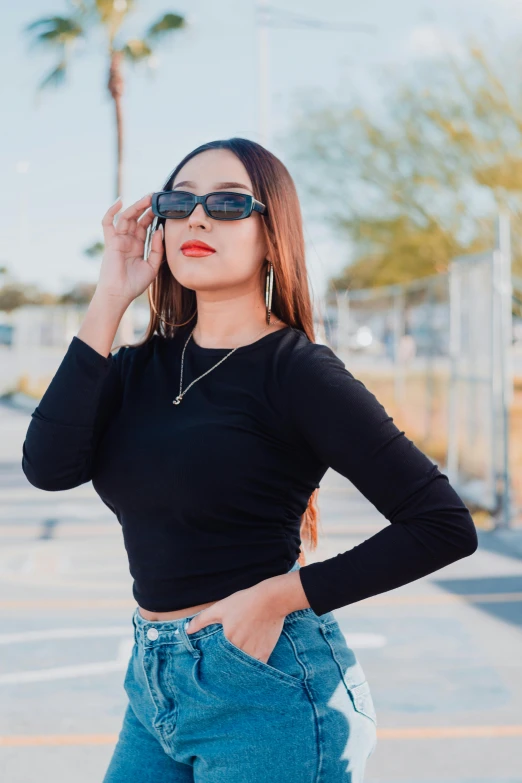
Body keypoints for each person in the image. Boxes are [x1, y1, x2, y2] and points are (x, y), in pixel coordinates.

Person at [21, 138, 478, 782]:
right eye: (178, 203)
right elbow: (47, 466)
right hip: (154, 683)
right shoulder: (137, 367)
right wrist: (110, 295)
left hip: (267, 687)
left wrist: (276, 597)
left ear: (272, 235)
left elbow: (443, 524)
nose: (197, 218)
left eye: (228, 204)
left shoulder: (297, 372)